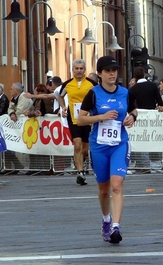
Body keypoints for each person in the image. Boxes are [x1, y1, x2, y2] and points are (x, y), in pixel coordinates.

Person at [77, 55, 137, 244]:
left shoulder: (126, 93)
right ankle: (106, 220)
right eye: (108, 71)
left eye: (114, 70)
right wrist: (100, 117)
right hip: (99, 146)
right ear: (100, 74)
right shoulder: (93, 93)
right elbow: (80, 119)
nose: (112, 74)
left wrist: (132, 118)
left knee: (117, 185)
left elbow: (134, 110)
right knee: (104, 189)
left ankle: (116, 227)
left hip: (120, 143)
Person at [58, 58, 97, 186]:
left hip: (87, 118)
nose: (79, 71)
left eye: (81, 68)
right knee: (77, 144)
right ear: (72, 70)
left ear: (85, 70)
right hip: (73, 118)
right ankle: (80, 172)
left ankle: (80, 161)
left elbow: (99, 97)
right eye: (77, 68)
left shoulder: (92, 84)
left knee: (85, 150)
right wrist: (63, 107)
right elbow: (60, 96)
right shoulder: (67, 84)